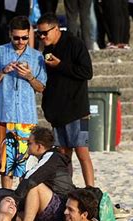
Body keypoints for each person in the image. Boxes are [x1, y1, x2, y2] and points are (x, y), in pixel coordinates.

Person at [0, 15, 47, 189]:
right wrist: (3, 71)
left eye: (24, 38)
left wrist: (28, 76)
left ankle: (22, 203)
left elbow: (41, 87)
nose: (20, 41)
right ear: (10, 34)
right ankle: (6, 196)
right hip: (7, 116)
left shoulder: (37, 57)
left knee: (26, 167)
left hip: (28, 117)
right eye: (16, 38)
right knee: (6, 168)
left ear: (29, 34)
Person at [36, 13, 95, 187]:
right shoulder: (46, 50)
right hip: (57, 112)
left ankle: (91, 190)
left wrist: (60, 65)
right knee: (63, 155)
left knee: (83, 152)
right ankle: (65, 189)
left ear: (56, 29)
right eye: (39, 33)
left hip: (79, 111)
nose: (42, 37)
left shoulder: (75, 44)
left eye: (45, 33)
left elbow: (87, 72)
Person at [15, 126, 75, 221]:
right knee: (15, 218)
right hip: (53, 204)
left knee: (35, 186)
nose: (27, 146)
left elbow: (31, 179)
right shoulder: (52, 156)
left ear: (39, 146)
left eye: (29, 143)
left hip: (61, 207)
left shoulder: (51, 157)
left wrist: (13, 198)